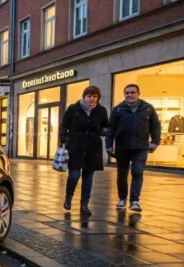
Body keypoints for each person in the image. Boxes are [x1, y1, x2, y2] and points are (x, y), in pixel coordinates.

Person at [106, 83, 161, 212]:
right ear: (124, 94)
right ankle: (122, 199)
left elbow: (156, 125)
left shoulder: (147, 108)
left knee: (137, 172)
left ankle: (135, 201)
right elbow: (110, 129)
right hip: (122, 147)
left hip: (140, 147)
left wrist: (155, 142)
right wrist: (109, 146)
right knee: (122, 174)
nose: (130, 95)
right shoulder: (118, 109)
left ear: (138, 94)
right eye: (127, 93)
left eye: (133, 92)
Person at [59, 85, 109, 216]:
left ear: (98, 98)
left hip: (93, 148)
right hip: (75, 147)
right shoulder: (73, 108)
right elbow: (63, 124)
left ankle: (84, 205)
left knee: (88, 178)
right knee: (74, 175)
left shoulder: (101, 110)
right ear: (84, 96)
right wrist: (64, 138)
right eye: (89, 96)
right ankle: (68, 198)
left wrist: (104, 131)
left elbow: (106, 126)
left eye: (95, 97)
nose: (91, 99)